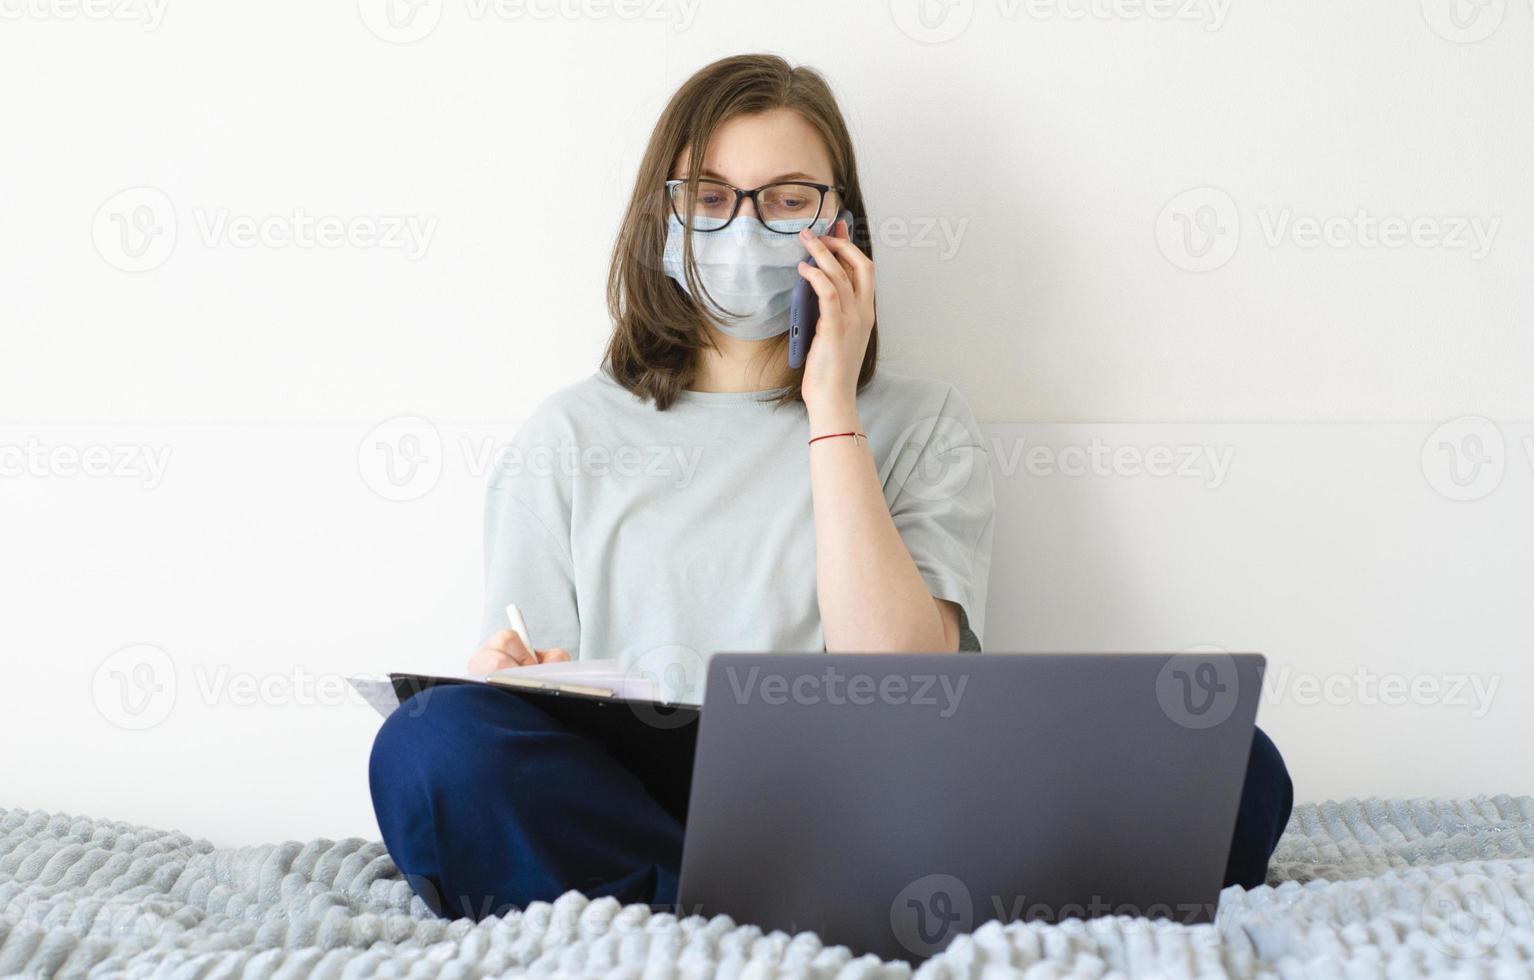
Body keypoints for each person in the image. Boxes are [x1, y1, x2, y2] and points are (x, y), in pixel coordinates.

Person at [369, 53, 1293, 921]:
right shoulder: (567, 435)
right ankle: (799, 915)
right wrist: (503, 680)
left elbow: (899, 680)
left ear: (838, 224)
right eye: (711, 196)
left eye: (786, 199)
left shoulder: (925, 421)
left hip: (881, 813)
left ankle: (702, 915)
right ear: (663, 215)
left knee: (1231, 768)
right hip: (659, 810)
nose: (743, 224)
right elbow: (541, 716)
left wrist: (830, 405)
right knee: (436, 744)